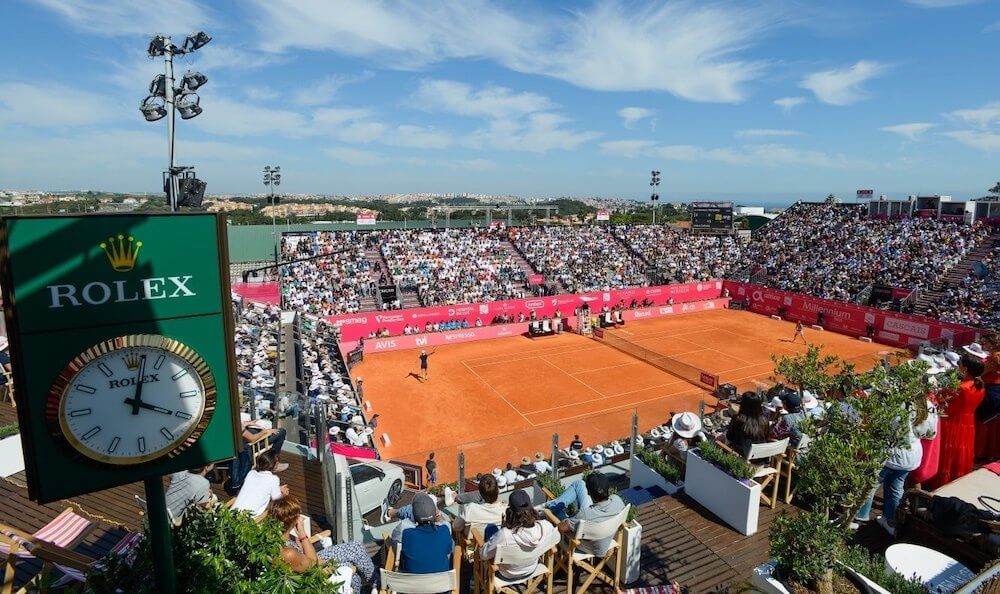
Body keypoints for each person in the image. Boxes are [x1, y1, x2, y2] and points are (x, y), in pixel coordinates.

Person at [854, 398, 938, 536]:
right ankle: (891, 521)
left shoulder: (895, 401)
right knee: (895, 487)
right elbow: (930, 434)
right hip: (911, 454)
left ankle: (859, 518)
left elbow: (878, 428)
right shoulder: (928, 405)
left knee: (869, 485)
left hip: (889, 454)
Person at [271, 496, 375, 594]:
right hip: (314, 578)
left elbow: (306, 560)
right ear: (294, 519)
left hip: (308, 563)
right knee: (354, 576)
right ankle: (374, 582)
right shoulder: (288, 553)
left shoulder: (277, 537)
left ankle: (373, 580)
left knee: (355, 548)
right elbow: (314, 562)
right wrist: (302, 532)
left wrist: (301, 545)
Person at [927, 354, 986, 490]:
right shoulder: (980, 386)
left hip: (952, 423)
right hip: (968, 423)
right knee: (959, 453)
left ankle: (941, 481)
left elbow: (941, 400)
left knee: (947, 453)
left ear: (965, 369)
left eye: (960, 365)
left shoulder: (961, 388)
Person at [480, 489, 557, 580]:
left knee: (491, 528)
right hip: (532, 568)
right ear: (531, 510)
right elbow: (556, 538)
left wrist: (502, 530)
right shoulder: (545, 527)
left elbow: (483, 555)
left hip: (507, 574)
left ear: (510, 512)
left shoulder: (505, 534)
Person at [545, 473, 626, 557]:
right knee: (579, 484)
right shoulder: (617, 501)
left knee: (554, 509)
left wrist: (570, 520)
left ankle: (551, 506)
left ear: (588, 492)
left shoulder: (585, 514)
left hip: (583, 545)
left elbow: (561, 528)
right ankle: (553, 505)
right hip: (603, 539)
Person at [392, 493, 454, 574]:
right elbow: (449, 551)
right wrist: (437, 513)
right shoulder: (444, 530)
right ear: (434, 511)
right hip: (440, 584)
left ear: (413, 514)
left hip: (410, 584)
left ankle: (389, 512)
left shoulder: (406, 533)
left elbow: (394, 539)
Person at [232, 450, 289, 517]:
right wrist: (284, 494)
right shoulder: (274, 479)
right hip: (248, 518)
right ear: (276, 464)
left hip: (233, 512)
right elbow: (276, 498)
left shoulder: (251, 473)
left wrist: (278, 488)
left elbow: (258, 488)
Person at [974, 335, 999, 461]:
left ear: (993, 344)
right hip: (995, 391)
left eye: (984, 343)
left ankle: (981, 452)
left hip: (990, 392)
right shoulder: (994, 357)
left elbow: (980, 375)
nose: (982, 346)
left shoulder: (994, 358)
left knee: (984, 423)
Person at [726, 392, 771, 459]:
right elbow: (766, 437)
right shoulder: (765, 420)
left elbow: (729, 438)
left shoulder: (738, 419)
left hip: (742, 460)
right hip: (761, 460)